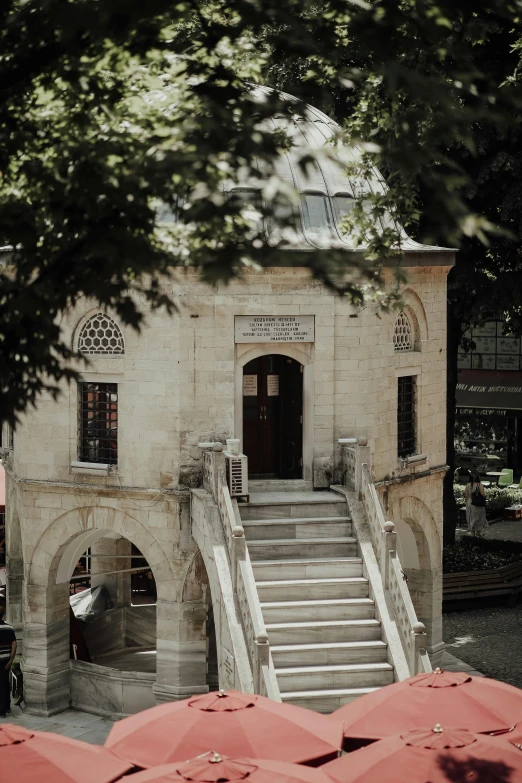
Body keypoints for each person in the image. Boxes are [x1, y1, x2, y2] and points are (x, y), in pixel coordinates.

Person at [0, 601, 16, 717]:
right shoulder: (9, 628)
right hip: (6, 660)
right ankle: (7, 706)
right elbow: (14, 644)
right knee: (5, 683)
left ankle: (2, 711)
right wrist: (11, 660)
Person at [465, 473, 488, 537]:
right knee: (479, 518)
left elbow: (466, 496)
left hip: (469, 504)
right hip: (477, 504)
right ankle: (478, 533)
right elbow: (483, 495)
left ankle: (473, 535)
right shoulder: (479, 485)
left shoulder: (467, 485)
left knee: (471, 519)